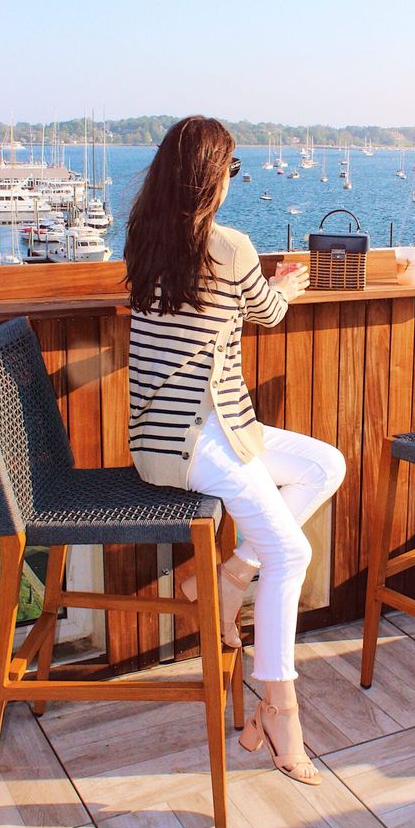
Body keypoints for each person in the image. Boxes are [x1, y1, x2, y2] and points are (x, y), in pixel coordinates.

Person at [124, 115, 346, 786]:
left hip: (171, 434)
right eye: (231, 169)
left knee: (323, 465)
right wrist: (289, 285)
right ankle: (279, 710)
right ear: (212, 179)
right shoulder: (229, 247)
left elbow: (223, 309)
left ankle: (224, 576)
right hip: (198, 435)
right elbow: (268, 312)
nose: (231, 180)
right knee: (293, 552)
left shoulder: (145, 243)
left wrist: (261, 289)